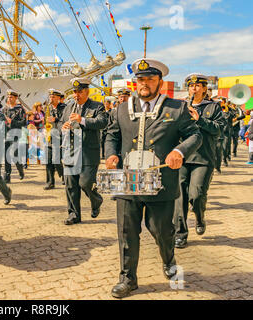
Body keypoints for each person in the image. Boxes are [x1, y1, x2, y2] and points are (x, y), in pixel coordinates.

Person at [105, 58, 202, 298]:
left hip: (161, 183)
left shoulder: (176, 109)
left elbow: (195, 135)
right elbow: (111, 136)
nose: (144, 83)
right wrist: (111, 155)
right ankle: (128, 278)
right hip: (128, 181)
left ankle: (168, 259)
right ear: (135, 82)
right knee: (126, 231)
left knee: (161, 230)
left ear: (160, 81)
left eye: (149, 79)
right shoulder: (121, 108)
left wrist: (179, 151)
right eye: (140, 79)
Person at [173, 74, 224, 249]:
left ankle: (200, 217)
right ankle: (180, 233)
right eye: (191, 85)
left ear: (204, 88)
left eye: (198, 85)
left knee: (197, 195)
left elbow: (219, 130)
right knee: (179, 197)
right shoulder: (181, 107)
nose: (194, 88)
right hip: (183, 157)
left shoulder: (213, 107)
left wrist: (199, 120)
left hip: (203, 159)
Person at [60, 78, 107, 225]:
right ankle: (74, 214)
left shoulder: (97, 106)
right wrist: (63, 127)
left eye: (79, 91)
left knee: (85, 183)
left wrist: (82, 120)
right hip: (71, 151)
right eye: (74, 92)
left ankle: (96, 200)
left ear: (87, 91)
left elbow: (102, 122)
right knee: (70, 185)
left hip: (88, 152)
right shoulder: (68, 107)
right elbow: (61, 123)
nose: (76, 95)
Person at [44, 88, 66, 190]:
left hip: (60, 137)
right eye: (50, 97)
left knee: (56, 160)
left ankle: (64, 175)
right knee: (48, 161)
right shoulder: (48, 108)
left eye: (53, 97)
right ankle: (50, 182)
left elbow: (66, 121)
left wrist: (56, 120)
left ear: (58, 98)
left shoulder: (64, 108)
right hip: (49, 136)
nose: (51, 99)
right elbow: (46, 122)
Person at [3, 89, 26, 183]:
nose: (9, 98)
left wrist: (11, 122)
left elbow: (24, 122)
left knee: (15, 154)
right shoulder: (5, 109)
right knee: (6, 155)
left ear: (16, 98)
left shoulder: (20, 109)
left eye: (11, 97)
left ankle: (21, 170)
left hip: (16, 134)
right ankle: (7, 176)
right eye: (8, 97)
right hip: (6, 134)